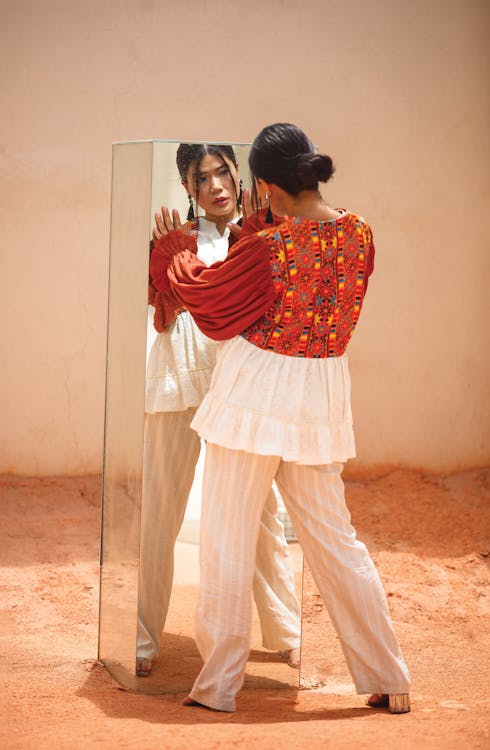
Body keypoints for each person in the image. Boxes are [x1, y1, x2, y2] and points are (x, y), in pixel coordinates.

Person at [149, 123, 411, 714]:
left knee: (226, 539)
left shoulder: (268, 247)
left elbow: (214, 305)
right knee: (336, 541)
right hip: (320, 394)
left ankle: (217, 689)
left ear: (263, 185)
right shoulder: (360, 233)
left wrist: (176, 254)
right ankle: (389, 676)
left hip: (255, 393)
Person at [136, 142, 302, 677]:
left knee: (263, 509)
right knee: (161, 506)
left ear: (240, 176)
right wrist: (165, 251)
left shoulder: (258, 234)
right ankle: (139, 640)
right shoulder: (173, 240)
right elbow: (157, 291)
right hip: (180, 376)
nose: (216, 186)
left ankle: (285, 631)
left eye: (223, 173)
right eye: (201, 178)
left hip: (237, 375)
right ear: (187, 188)